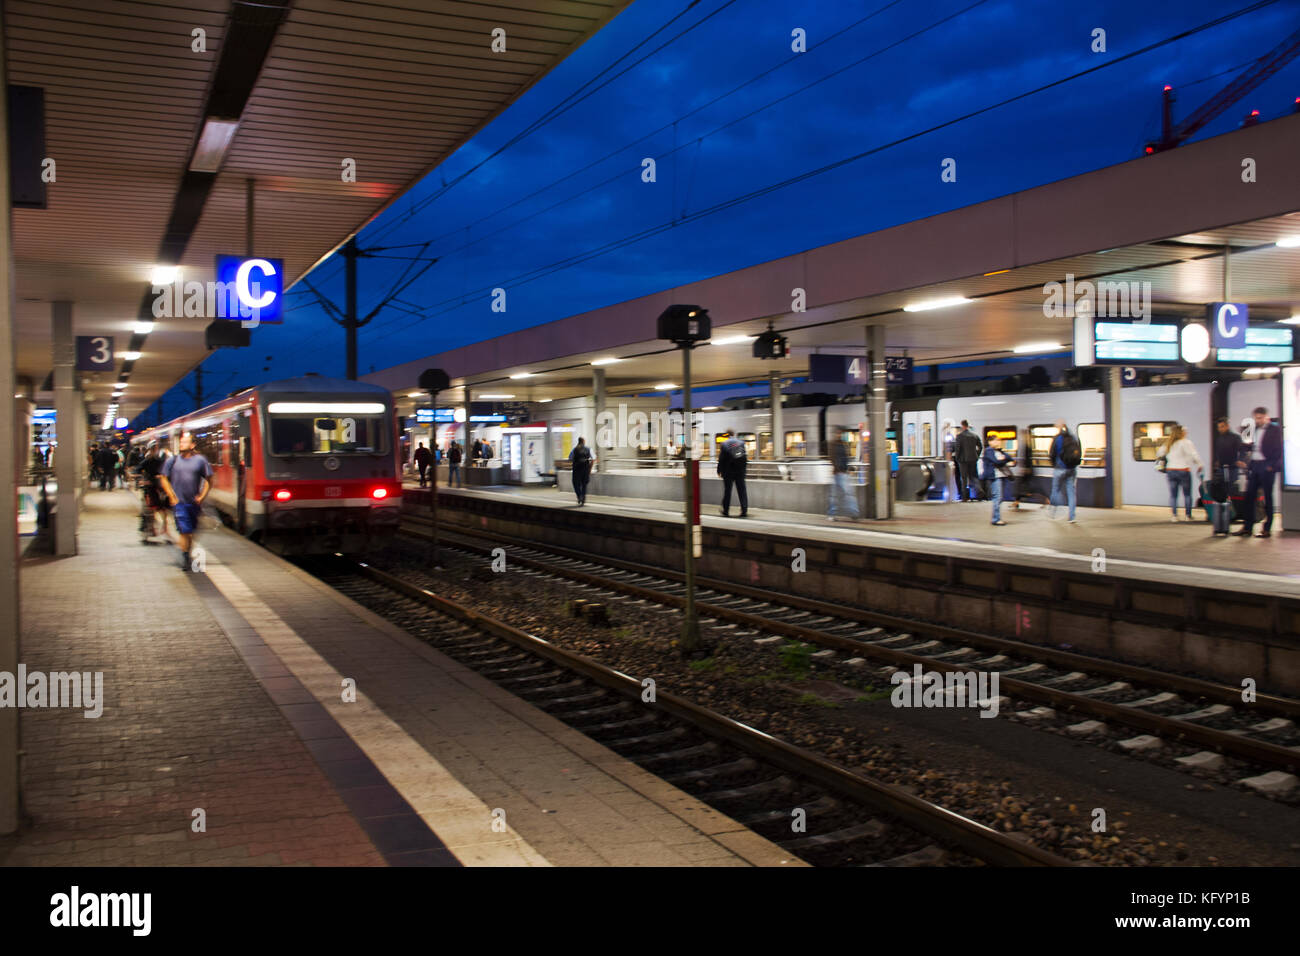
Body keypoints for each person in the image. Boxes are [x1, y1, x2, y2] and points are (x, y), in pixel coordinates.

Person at [159, 430, 213, 571]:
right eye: (181, 442)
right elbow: (163, 477)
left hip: (194, 503)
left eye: (184, 442)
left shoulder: (201, 461)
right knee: (184, 530)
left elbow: (209, 480)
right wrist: (171, 496)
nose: (181, 444)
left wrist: (202, 496)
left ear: (192, 445)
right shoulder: (173, 460)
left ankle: (187, 553)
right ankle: (185, 558)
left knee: (191, 532)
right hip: (179, 503)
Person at [1233, 406, 1282, 538]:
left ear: (1266, 417)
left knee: (1267, 498)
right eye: (1256, 418)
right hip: (1254, 465)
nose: (1258, 420)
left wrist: (1271, 466)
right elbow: (1246, 446)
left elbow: (1279, 450)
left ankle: (1267, 529)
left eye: (1260, 418)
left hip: (1266, 466)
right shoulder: (1253, 429)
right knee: (1249, 497)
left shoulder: (1275, 430)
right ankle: (1247, 527)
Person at [1157, 424, 1204, 522]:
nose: (1186, 433)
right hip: (1183, 470)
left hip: (1171, 471)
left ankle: (1174, 516)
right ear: (1181, 432)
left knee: (1173, 495)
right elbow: (1193, 454)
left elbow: (1159, 454)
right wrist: (1199, 464)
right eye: (1184, 431)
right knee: (1187, 494)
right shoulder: (1186, 442)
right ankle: (1188, 515)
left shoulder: (1168, 443)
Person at [1048, 419, 1080, 523]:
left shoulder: (1057, 438)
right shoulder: (1074, 437)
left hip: (1059, 468)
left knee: (1055, 490)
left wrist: (1054, 465)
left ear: (1059, 427)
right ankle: (1072, 517)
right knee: (1071, 493)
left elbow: (1052, 454)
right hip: (1072, 469)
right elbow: (1079, 452)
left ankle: (1054, 511)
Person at [138, 441, 170, 541]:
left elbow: (137, 470)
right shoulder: (157, 460)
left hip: (154, 489)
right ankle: (153, 531)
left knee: (151, 511)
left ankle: (150, 532)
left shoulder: (150, 460)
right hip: (155, 489)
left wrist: (143, 480)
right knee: (158, 511)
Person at [981, 435, 1014, 526]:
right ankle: (996, 519)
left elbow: (1009, 458)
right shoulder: (988, 451)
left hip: (1001, 476)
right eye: (996, 440)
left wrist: (1002, 456)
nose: (998, 442)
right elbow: (997, 462)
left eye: (999, 440)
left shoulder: (998, 450)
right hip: (994, 477)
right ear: (990, 442)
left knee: (999, 497)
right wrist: (1003, 459)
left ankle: (996, 518)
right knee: (997, 497)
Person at [827, 438, 859, 521]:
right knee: (845, 493)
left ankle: (852, 513)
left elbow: (844, 459)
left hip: (842, 472)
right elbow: (833, 459)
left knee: (839, 494)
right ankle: (852, 513)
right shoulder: (835, 445)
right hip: (838, 473)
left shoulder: (841, 445)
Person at [717, 433, 748, 517]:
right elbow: (745, 458)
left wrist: (719, 470)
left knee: (728, 491)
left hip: (728, 471)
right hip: (739, 471)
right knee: (742, 491)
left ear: (727, 435)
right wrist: (743, 471)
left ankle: (726, 511)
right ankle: (744, 510)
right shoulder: (741, 443)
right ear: (733, 435)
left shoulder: (724, 444)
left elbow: (721, 459)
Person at [953, 420, 982, 502]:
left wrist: (957, 458)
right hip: (973, 459)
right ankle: (979, 493)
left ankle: (965, 497)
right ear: (968, 425)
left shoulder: (959, 436)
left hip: (963, 460)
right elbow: (980, 447)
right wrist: (977, 455)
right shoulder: (974, 435)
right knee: (974, 477)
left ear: (962, 426)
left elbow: (957, 449)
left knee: (964, 478)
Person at [1212, 417, 1243, 489]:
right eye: (1219, 427)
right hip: (1221, 468)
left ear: (1227, 426)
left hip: (1233, 468)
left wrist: (1240, 460)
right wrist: (1216, 461)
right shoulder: (1219, 439)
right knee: (1222, 489)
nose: (1220, 429)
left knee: (1232, 489)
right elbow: (1217, 451)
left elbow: (1242, 450)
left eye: (1222, 427)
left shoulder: (1235, 437)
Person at [569, 437, 593, 505]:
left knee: (576, 484)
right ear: (584, 441)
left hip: (577, 469)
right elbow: (593, 458)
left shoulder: (574, 449)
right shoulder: (588, 449)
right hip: (585, 469)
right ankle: (583, 498)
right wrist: (590, 469)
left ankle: (579, 496)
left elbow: (570, 458)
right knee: (584, 484)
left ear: (578, 441)